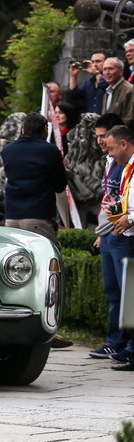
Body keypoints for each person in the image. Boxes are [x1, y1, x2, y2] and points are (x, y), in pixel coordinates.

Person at [88, 113, 129, 360]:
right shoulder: (110, 161)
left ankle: (127, 345)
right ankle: (114, 341)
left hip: (125, 234)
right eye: (99, 137)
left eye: (104, 137)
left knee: (127, 293)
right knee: (112, 291)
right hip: (109, 234)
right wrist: (102, 232)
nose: (102, 142)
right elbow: (108, 199)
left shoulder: (127, 163)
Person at [0, 113, 67, 244]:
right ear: (44, 129)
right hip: (39, 215)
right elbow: (60, 185)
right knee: (45, 258)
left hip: (12, 216)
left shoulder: (7, 150)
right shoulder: (50, 151)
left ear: (23, 129)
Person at [103, 125, 134, 370]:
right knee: (123, 295)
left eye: (112, 147)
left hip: (131, 236)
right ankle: (128, 347)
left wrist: (131, 218)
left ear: (124, 144)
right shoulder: (126, 169)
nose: (110, 153)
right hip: (125, 234)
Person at [67, 50, 108, 114]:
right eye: (92, 62)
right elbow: (74, 94)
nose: (94, 65)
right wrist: (73, 76)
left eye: (98, 61)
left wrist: (96, 73)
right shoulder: (89, 82)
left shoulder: (111, 80)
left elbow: (104, 84)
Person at [102, 57, 134, 126]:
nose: (107, 72)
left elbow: (129, 119)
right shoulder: (107, 93)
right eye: (104, 69)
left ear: (121, 71)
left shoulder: (129, 90)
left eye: (111, 69)